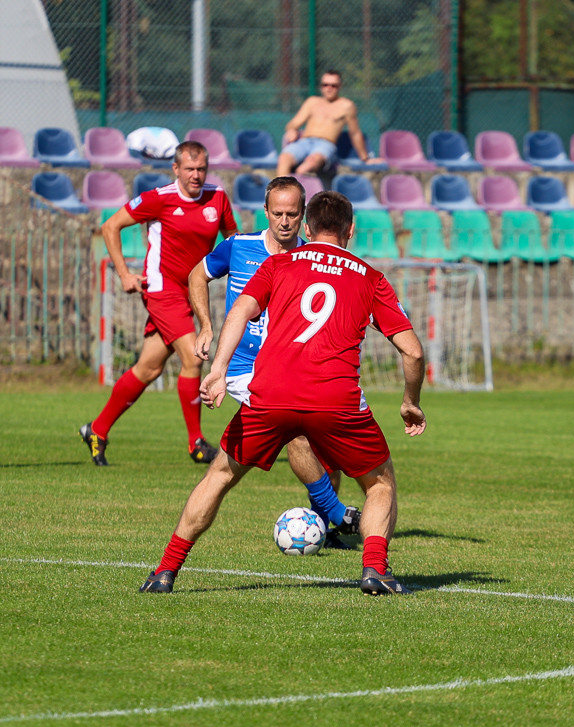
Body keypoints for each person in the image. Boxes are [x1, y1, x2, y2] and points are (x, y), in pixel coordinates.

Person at [141, 191, 426, 596]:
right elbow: (412, 350)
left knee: (220, 475)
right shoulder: (369, 277)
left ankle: (165, 572)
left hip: (269, 394)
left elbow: (240, 311)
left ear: (307, 228)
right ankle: (375, 569)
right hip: (334, 399)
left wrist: (218, 371)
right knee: (379, 483)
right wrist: (410, 401)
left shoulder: (278, 263)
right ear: (350, 231)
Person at [189, 176, 360, 549]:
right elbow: (196, 275)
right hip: (245, 367)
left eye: (293, 215)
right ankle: (335, 513)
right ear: (265, 211)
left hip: (296, 366)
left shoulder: (314, 260)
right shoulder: (239, 247)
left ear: (305, 218)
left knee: (326, 441)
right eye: (278, 213)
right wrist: (205, 324)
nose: (284, 222)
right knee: (294, 428)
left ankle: (328, 528)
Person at [80, 140, 238, 466]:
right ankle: (196, 442)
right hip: (163, 289)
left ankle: (97, 430)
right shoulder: (159, 199)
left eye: (201, 169)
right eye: (189, 169)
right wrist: (124, 273)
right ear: (176, 169)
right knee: (194, 359)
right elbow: (110, 227)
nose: (196, 175)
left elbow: (234, 243)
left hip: (193, 292)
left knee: (149, 367)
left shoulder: (217, 198)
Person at [275, 69, 383, 176]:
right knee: (284, 158)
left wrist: (366, 159)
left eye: (333, 85)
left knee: (310, 163)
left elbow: (355, 133)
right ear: (321, 86)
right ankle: (277, 191)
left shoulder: (346, 106)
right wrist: (291, 130)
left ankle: (296, 185)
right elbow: (293, 123)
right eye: (325, 85)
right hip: (304, 141)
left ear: (340, 86)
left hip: (325, 145)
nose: (329, 88)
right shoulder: (312, 102)